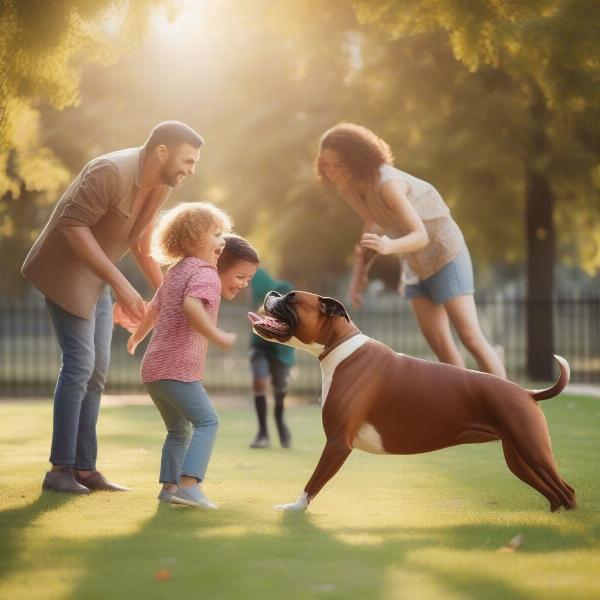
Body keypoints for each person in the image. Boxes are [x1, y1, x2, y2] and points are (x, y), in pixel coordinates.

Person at [21, 120, 204, 494]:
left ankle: (85, 470)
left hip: (96, 276)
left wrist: (165, 291)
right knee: (80, 363)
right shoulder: (111, 171)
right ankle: (60, 470)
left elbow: (140, 242)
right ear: (162, 151)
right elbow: (73, 227)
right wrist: (122, 285)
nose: (190, 170)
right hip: (65, 270)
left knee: (98, 369)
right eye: (187, 160)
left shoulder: (160, 185)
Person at [316, 122, 506, 378]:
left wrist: (388, 246)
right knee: (441, 346)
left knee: (470, 336)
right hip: (415, 264)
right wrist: (358, 279)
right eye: (326, 165)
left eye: (337, 164)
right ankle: (466, 408)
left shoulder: (388, 184)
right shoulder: (349, 187)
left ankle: (506, 406)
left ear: (355, 159)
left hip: (445, 254)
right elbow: (371, 223)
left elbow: (421, 235)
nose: (332, 172)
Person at [127, 204, 250, 509]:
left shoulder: (176, 271)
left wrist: (135, 337)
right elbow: (192, 308)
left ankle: (169, 488)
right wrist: (217, 335)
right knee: (208, 421)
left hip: (153, 370)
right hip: (178, 369)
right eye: (216, 234)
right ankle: (189, 484)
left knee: (178, 430)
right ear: (195, 238)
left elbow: (153, 310)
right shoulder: (205, 273)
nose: (222, 240)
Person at [248, 268, 296, 449]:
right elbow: (252, 268)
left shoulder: (293, 315)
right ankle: (262, 433)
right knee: (259, 382)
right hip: (260, 348)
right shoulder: (264, 299)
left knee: (279, 392)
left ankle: (280, 423)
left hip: (282, 354)